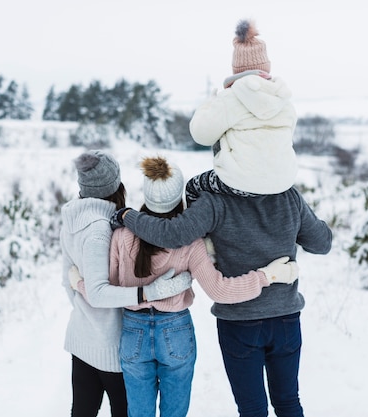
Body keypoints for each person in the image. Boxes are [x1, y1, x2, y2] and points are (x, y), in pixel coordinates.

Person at [70, 155, 300, 417]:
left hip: (134, 333)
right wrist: (266, 276)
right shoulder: (191, 243)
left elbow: (105, 291)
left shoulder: (122, 235)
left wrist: (78, 282)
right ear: (178, 195)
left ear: (146, 195)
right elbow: (220, 291)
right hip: (175, 331)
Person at [60, 150, 195, 417]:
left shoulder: (71, 221)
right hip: (110, 342)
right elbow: (100, 293)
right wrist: (148, 293)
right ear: (115, 187)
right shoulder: (101, 230)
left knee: (83, 410)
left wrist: (82, 302)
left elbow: (69, 280)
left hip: (81, 336)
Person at [185, 19, 299, 204]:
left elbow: (200, 135)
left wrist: (210, 102)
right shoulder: (284, 100)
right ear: (266, 66)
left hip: (238, 182)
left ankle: (200, 233)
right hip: (284, 182)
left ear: (236, 68)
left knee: (193, 186)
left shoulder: (230, 98)